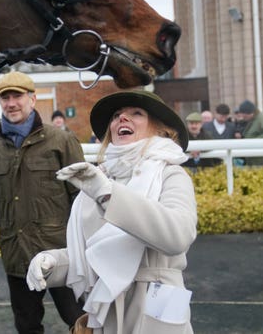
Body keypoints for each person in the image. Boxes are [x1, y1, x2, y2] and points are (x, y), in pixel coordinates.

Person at [25, 88, 196, 334]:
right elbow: (93, 255)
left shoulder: (171, 173)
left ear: (160, 129)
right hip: (108, 310)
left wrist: (108, 194)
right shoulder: (97, 178)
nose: (121, 119)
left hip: (158, 305)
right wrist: (53, 262)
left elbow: (178, 236)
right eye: (116, 116)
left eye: (136, 113)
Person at [0, 71, 85, 333]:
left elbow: (82, 198)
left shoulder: (61, 141)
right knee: (27, 326)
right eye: (5, 98)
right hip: (17, 256)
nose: (11, 103)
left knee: (83, 322)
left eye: (17, 96)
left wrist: (87, 247)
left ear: (33, 99)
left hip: (61, 253)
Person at [236, 99, 263, 165]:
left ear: (249, 113)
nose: (243, 117)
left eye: (244, 115)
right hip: (256, 159)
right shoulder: (253, 120)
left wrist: (253, 142)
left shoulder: (262, 118)